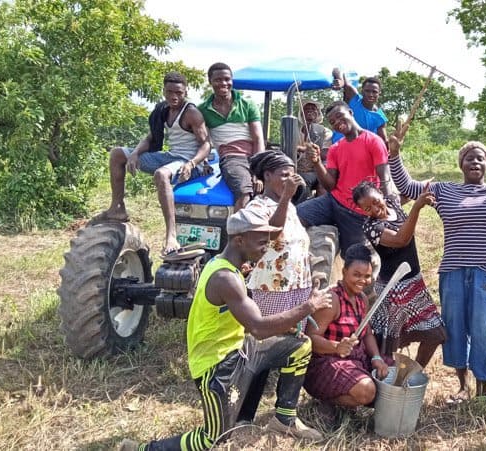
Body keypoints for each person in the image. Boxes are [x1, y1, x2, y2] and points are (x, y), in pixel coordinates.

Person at [119, 208, 328, 451]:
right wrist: (309, 306)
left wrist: (283, 325)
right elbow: (259, 328)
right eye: (261, 242)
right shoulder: (224, 278)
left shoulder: (228, 264)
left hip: (238, 347)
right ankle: (143, 449)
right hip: (216, 365)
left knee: (299, 346)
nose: (266, 247)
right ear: (239, 240)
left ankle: (284, 419)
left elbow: (253, 323)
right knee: (213, 439)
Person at [388, 128, 486, 401]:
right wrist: (394, 154)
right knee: (454, 329)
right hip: (453, 270)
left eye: (480, 159)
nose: (475, 162)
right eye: (469, 158)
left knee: (485, 328)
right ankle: (463, 386)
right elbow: (407, 187)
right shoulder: (444, 189)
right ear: (461, 164)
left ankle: (483, 387)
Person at [91, 71, 210, 257]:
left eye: (178, 92)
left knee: (161, 174)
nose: (174, 96)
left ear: (185, 91)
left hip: (190, 162)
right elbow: (151, 138)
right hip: (170, 157)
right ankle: (117, 207)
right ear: (163, 91)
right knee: (117, 154)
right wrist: (135, 154)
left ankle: (171, 235)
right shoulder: (163, 110)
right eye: (170, 91)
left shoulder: (191, 113)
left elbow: (206, 145)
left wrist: (193, 163)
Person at [352, 180, 445, 369]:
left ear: (381, 193)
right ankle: (381, 384)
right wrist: (417, 208)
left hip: (414, 283)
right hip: (392, 290)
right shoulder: (372, 227)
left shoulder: (393, 203)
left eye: (376, 202)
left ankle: (410, 376)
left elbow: (407, 187)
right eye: (368, 208)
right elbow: (401, 239)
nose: (375, 209)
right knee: (386, 346)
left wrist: (422, 188)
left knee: (436, 334)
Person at [296, 101, 396, 258]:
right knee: (294, 217)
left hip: (359, 212)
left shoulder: (373, 141)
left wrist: (390, 206)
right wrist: (316, 163)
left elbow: (384, 178)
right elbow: (330, 185)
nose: (337, 123)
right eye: (333, 122)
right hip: (333, 201)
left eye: (339, 116)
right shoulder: (335, 148)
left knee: (354, 257)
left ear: (350, 112)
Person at [303, 244, 389, 409]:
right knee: (369, 391)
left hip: (355, 359)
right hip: (325, 363)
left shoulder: (361, 298)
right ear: (344, 272)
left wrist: (376, 358)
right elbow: (310, 339)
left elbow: (368, 333)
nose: (362, 281)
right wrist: (336, 347)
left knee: (394, 375)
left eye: (367, 276)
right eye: (356, 275)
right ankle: (327, 400)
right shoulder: (331, 300)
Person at [246, 152, 312, 332]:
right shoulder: (257, 206)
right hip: (274, 288)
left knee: (294, 343)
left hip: (298, 286)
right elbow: (272, 234)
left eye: (292, 176)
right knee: (273, 340)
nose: (289, 181)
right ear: (267, 175)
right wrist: (286, 197)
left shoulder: (289, 207)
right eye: (284, 175)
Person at [200, 62, 265, 211]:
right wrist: (204, 162)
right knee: (244, 190)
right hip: (232, 157)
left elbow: (258, 139)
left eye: (227, 79)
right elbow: (202, 140)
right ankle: (236, 232)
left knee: (285, 176)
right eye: (218, 80)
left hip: (255, 156)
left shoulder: (247, 104)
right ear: (210, 82)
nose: (224, 83)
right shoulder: (203, 110)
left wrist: (258, 169)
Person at [330, 68, 389, 144]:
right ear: (362, 91)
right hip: (338, 147)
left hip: (359, 152)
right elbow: (337, 70)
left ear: (379, 93)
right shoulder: (354, 98)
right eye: (367, 91)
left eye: (374, 92)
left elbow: (383, 141)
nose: (371, 94)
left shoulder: (380, 118)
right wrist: (340, 80)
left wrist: (392, 145)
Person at [296, 99, 333, 200]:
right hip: (296, 168)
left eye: (313, 108)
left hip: (316, 170)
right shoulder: (295, 131)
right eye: (306, 108)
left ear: (318, 113)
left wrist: (302, 149)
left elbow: (325, 154)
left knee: (303, 179)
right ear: (301, 113)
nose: (310, 110)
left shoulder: (325, 131)